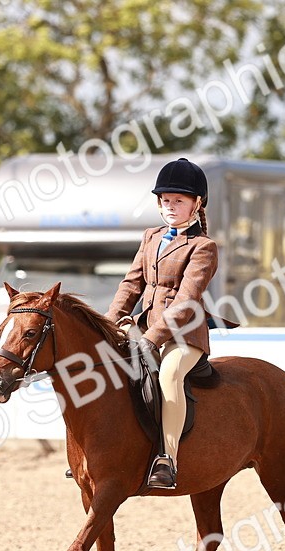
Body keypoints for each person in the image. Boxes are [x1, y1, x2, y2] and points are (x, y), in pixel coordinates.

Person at [107, 157, 221, 489]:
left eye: (178, 201)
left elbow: (186, 301)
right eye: (166, 200)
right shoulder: (150, 237)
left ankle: (167, 459)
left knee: (169, 375)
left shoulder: (204, 247)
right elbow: (130, 284)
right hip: (144, 326)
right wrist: (108, 322)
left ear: (196, 203)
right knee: (107, 367)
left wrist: (153, 338)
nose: (170, 206)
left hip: (184, 336)